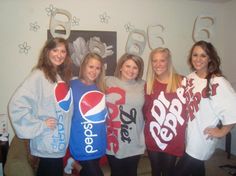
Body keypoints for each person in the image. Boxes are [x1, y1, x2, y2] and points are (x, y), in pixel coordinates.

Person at [8, 37, 74, 176]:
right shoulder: (38, 75)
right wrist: (40, 124)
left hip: (58, 145)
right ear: (47, 52)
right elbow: (17, 105)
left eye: (63, 51)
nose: (59, 54)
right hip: (47, 143)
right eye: (55, 50)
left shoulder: (60, 77)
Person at [174, 40, 236, 176]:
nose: (198, 59)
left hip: (202, 140)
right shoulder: (190, 78)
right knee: (197, 170)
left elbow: (233, 109)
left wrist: (222, 131)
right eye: (195, 55)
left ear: (210, 58)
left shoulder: (217, 82)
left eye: (203, 55)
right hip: (190, 136)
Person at [143, 47, 187, 176]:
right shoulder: (149, 85)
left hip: (173, 136)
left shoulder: (183, 82)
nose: (157, 64)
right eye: (154, 61)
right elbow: (146, 111)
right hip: (153, 135)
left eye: (162, 60)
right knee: (155, 171)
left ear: (168, 62)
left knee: (169, 172)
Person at [105, 53, 146, 176]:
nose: (131, 70)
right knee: (116, 173)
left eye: (135, 67)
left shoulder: (144, 85)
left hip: (134, 141)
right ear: (121, 67)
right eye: (128, 66)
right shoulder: (107, 81)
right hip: (113, 140)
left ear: (139, 71)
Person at [69, 53, 107, 176]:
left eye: (98, 68)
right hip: (81, 141)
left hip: (98, 141)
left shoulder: (102, 87)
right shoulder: (71, 86)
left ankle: (74, 165)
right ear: (84, 66)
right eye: (91, 67)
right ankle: (74, 164)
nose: (94, 71)